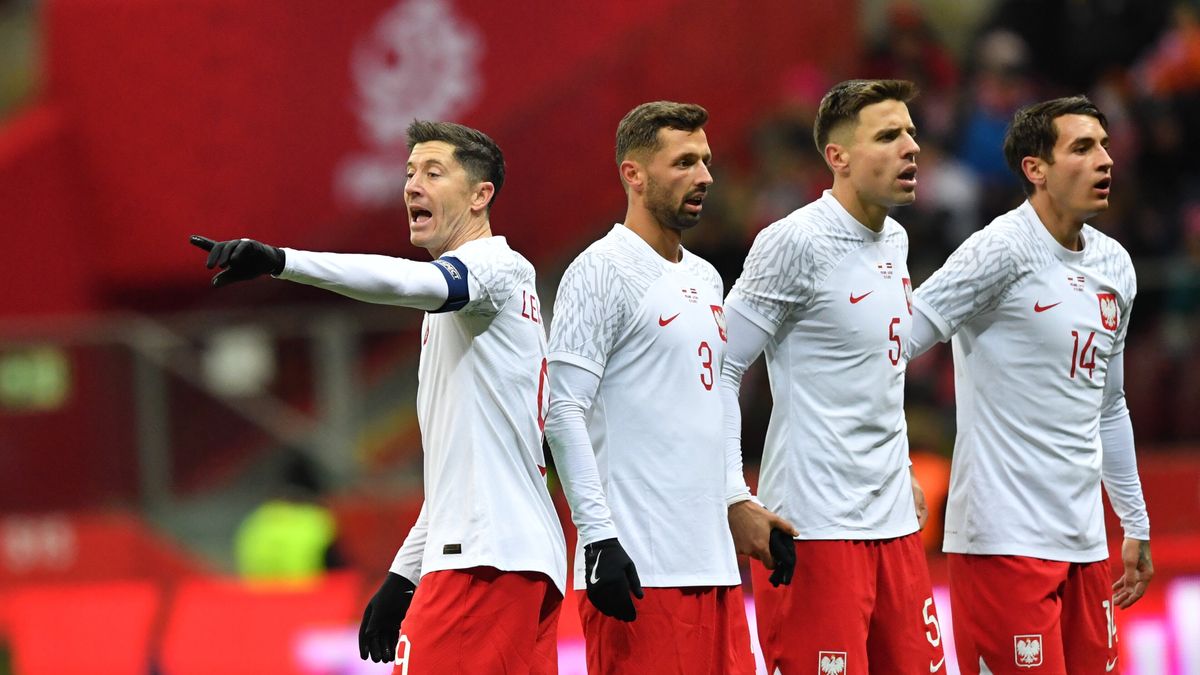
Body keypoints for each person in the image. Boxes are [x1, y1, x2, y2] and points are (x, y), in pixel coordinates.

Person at [190, 120, 566, 674]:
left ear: (481, 195)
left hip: (483, 566)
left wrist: (281, 261)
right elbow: (456, 475)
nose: (412, 185)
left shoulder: (494, 268)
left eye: (433, 172)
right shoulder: (467, 310)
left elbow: (404, 282)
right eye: (409, 172)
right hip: (511, 560)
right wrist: (402, 574)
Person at [543, 101, 794, 674]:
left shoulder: (705, 276)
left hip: (714, 570)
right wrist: (598, 538)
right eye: (684, 162)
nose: (705, 175)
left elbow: (717, 398)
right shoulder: (600, 269)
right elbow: (562, 409)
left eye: (705, 161)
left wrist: (736, 499)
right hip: (639, 573)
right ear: (633, 173)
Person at [909, 95, 1153, 675]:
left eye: (1105, 146)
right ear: (1035, 169)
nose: (1104, 160)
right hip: (1002, 542)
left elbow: (1109, 405)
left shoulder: (1116, 265)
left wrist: (1135, 522)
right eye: (1082, 148)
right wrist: (897, 463)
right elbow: (892, 350)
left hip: (1085, 543)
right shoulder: (1000, 249)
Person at [720, 79, 946, 674]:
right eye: (888, 136)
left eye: (911, 134)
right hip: (815, 528)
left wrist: (899, 472)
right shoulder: (792, 242)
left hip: (896, 525)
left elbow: (877, 372)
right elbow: (718, 367)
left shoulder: (894, 240)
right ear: (837, 157)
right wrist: (732, 493)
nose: (910, 148)